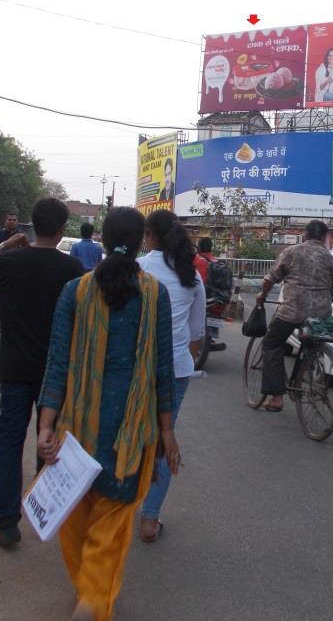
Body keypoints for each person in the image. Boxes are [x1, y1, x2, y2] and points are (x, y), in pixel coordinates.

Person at [36, 207, 177, 621]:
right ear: (141, 243)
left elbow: (57, 363)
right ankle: (94, 597)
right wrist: (167, 431)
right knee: (112, 523)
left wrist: (45, 426)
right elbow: (162, 370)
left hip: (77, 430)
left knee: (76, 516)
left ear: (101, 239)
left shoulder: (75, 291)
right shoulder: (154, 294)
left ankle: (89, 592)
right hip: (131, 433)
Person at [0, 198, 84, 548]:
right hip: (55, 372)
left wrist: (4, 246)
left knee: (9, 441)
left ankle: (6, 523)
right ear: (63, 229)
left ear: (30, 226)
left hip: (15, 367)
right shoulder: (73, 269)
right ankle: (43, 508)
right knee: (47, 439)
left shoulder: (11, 261)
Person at [136, 210, 205, 543]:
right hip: (175, 371)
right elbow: (196, 335)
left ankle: (118, 509)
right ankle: (150, 519)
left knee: (130, 435)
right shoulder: (191, 276)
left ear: (149, 235)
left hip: (136, 369)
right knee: (165, 440)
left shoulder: (138, 270)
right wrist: (181, 363)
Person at [254, 220, 333, 412]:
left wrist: (262, 295)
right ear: (324, 237)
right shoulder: (329, 257)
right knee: (310, 343)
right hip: (321, 313)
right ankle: (302, 376)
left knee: (271, 344)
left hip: (292, 310)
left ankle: (276, 398)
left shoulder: (292, 252)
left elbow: (271, 279)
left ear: (305, 234)